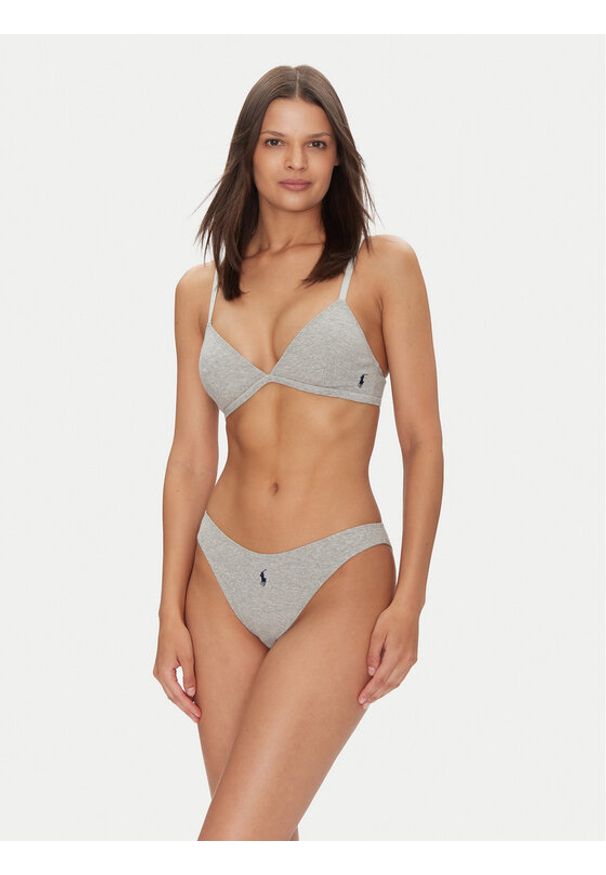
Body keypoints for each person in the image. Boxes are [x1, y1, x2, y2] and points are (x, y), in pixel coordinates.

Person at [153, 64, 443, 841]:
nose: (296, 161)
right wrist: (168, 609)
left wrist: (411, 599)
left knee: (232, 839)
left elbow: (422, 441)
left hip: (338, 577)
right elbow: (190, 458)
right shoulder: (199, 292)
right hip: (218, 579)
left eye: (316, 144)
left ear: (338, 156)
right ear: (247, 152)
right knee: (260, 839)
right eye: (276, 142)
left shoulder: (382, 268)